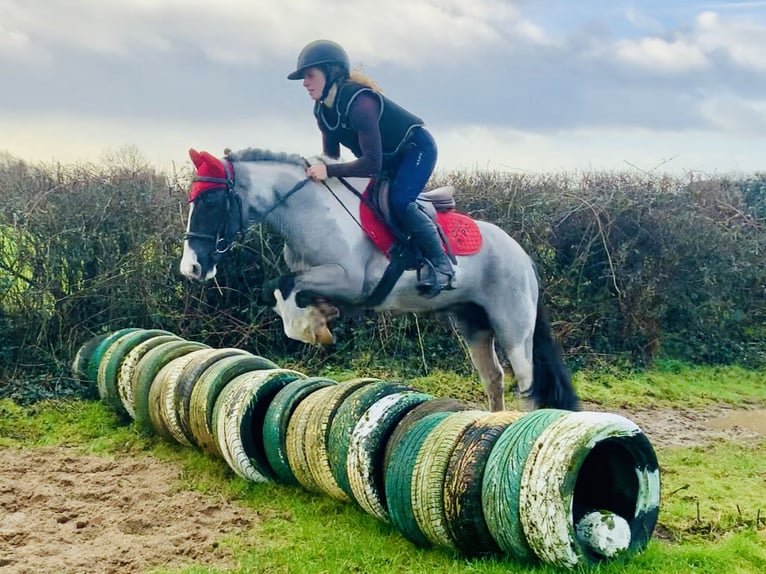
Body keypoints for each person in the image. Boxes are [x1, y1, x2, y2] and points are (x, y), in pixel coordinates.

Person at [287, 39, 455, 296]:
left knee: (399, 201)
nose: (304, 83)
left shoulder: (360, 104)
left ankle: (443, 266)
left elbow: (371, 164)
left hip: (416, 151)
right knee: (365, 200)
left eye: (309, 76)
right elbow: (331, 157)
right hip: (387, 159)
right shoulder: (323, 111)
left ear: (332, 72)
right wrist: (311, 168)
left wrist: (328, 171)